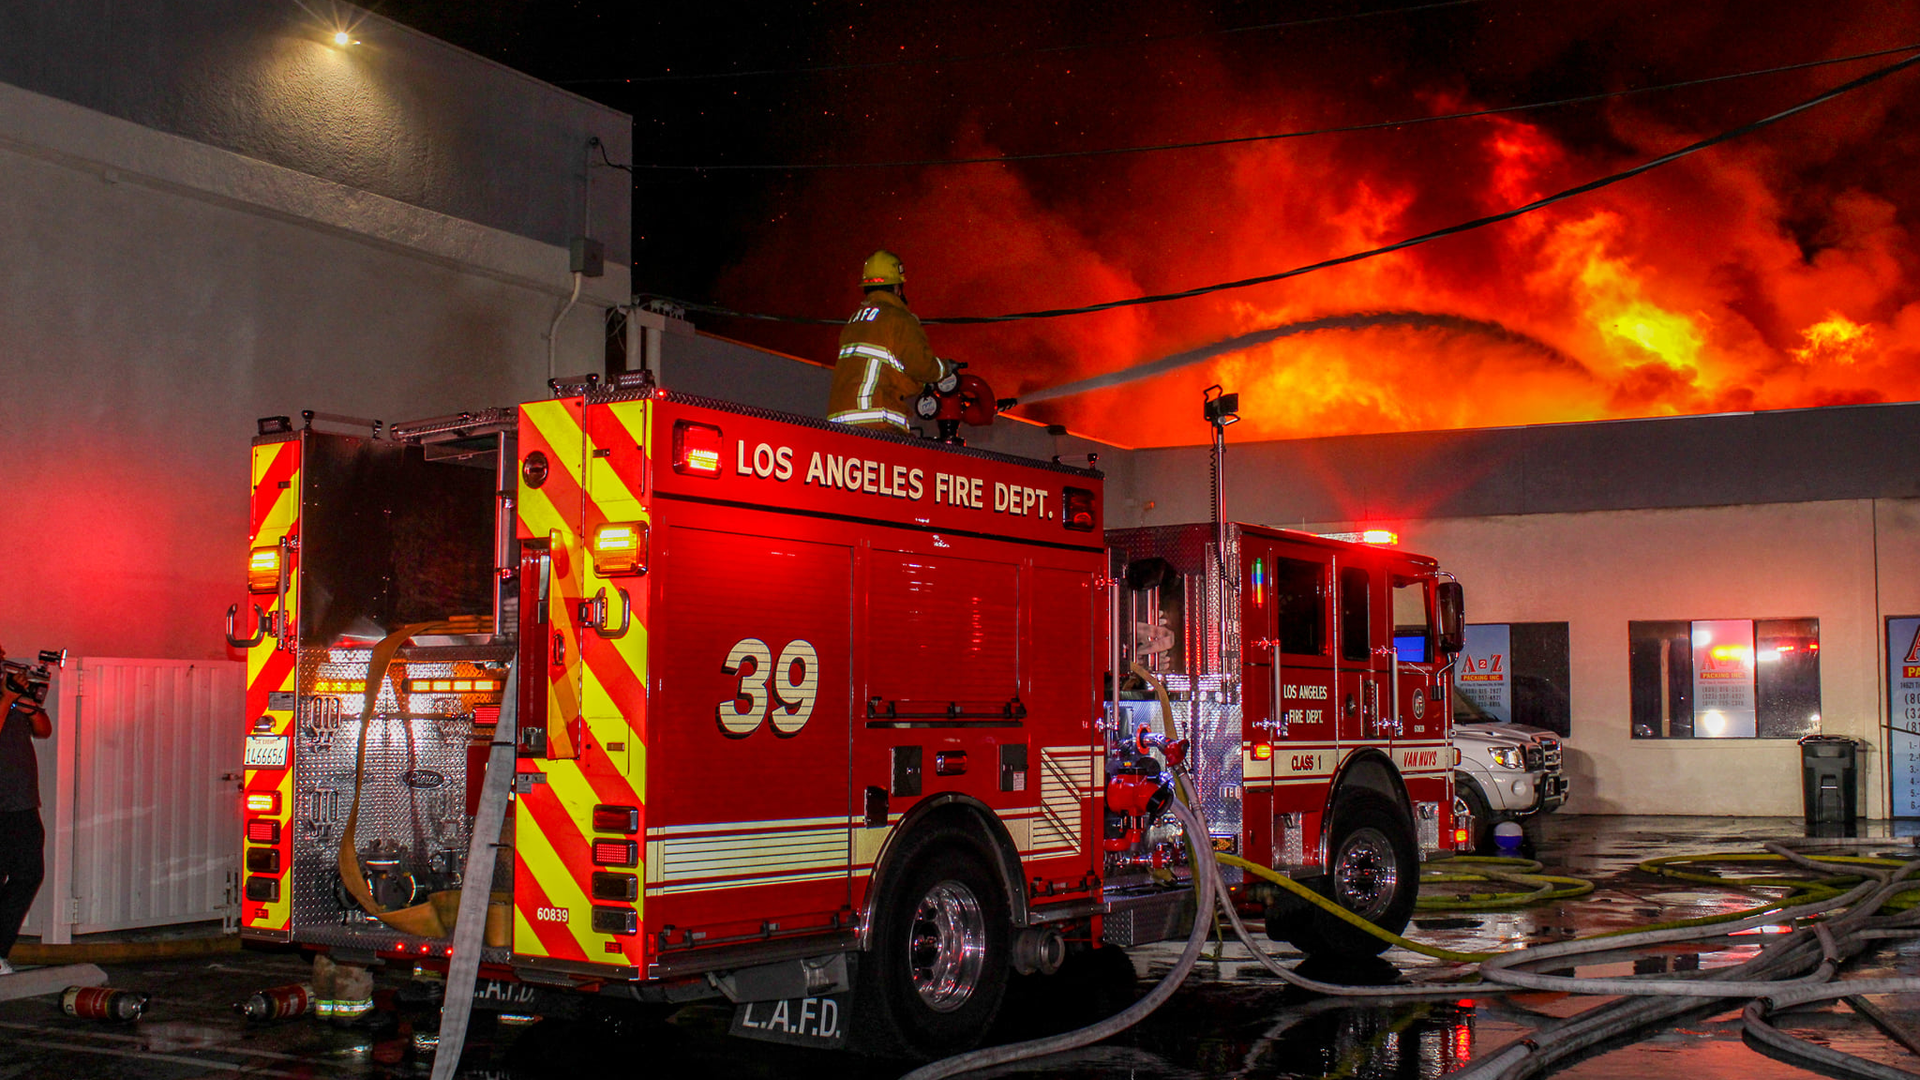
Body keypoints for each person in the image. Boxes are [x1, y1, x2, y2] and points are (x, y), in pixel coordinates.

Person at [828, 249, 952, 433]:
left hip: (839, 425)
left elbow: (884, 366)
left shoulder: (855, 320)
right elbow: (921, 365)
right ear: (897, 287)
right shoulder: (898, 318)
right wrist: (945, 369)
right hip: (877, 421)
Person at [0, 644, 50, 976]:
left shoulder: (11, 695)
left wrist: (30, 706)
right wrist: (7, 697)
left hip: (21, 804)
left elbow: (44, 731)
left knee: (28, 874)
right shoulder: (5, 696)